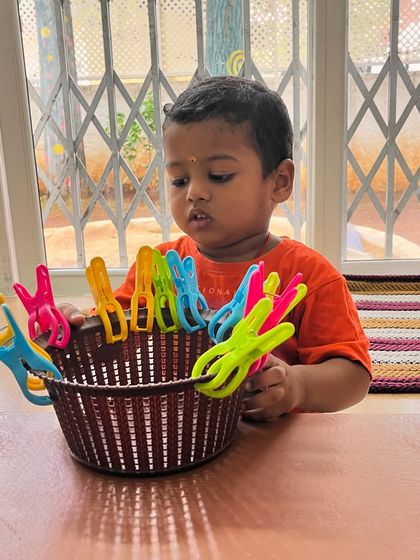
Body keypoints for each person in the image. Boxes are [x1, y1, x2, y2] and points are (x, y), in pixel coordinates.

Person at [62, 76, 371, 420]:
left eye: (220, 175)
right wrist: (71, 328)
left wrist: (297, 384)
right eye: (179, 180)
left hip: (271, 448)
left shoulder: (309, 278)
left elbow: (353, 376)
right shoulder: (161, 266)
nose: (194, 192)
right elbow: (108, 339)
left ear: (279, 182)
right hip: (178, 439)